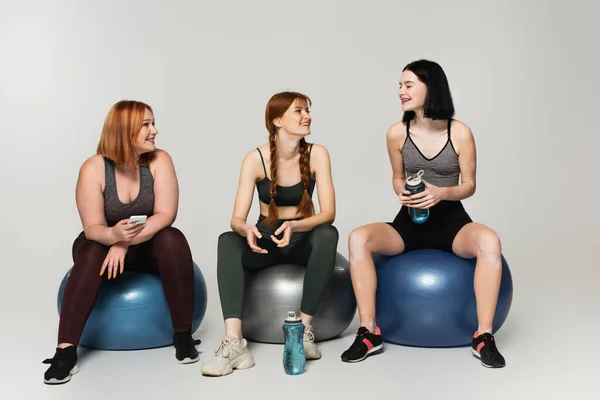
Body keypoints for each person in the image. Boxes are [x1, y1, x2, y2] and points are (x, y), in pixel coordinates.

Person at [341, 60, 506, 368]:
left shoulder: (460, 133)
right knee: (358, 238)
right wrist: (401, 189)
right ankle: (368, 331)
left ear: (430, 88)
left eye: (408, 85)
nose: (401, 92)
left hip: (451, 222)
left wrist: (442, 192)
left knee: (490, 242)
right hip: (410, 222)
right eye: (399, 86)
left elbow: (469, 185)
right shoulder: (395, 133)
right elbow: (396, 176)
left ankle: (484, 336)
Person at [42, 100, 200, 385]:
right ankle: (65, 352)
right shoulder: (94, 168)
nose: (155, 130)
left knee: (173, 239)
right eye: (147, 125)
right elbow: (92, 228)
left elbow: (166, 214)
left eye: (153, 123)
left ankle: (183, 335)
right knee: (90, 251)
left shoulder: (159, 160)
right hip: (102, 246)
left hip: (145, 246)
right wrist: (114, 238)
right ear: (125, 131)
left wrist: (124, 243)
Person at [201, 91, 338, 377]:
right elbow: (236, 219)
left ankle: (303, 331)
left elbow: (328, 213)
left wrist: (297, 225)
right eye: (298, 111)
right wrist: (246, 229)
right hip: (267, 242)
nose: (307, 116)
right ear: (277, 120)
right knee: (227, 241)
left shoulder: (317, 154)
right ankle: (235, 343)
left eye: (307, 110)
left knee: (328, 233)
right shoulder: (255, 159)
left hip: (302, 240)